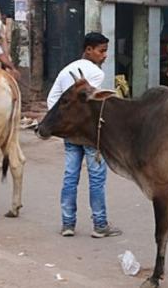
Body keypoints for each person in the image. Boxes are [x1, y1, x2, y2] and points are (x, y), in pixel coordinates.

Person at [47, 32, 122, 239]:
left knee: (70, 177)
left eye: (106, 51)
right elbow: (93, 108)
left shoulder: (66, 70)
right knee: (96, 179)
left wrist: (64, 124)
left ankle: (67, 224)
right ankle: (99, 225)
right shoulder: (95, 74)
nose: (105, 55)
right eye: (102, 51)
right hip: (89, 135)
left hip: (70, 134)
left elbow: (52, 100)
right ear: (88, 50)